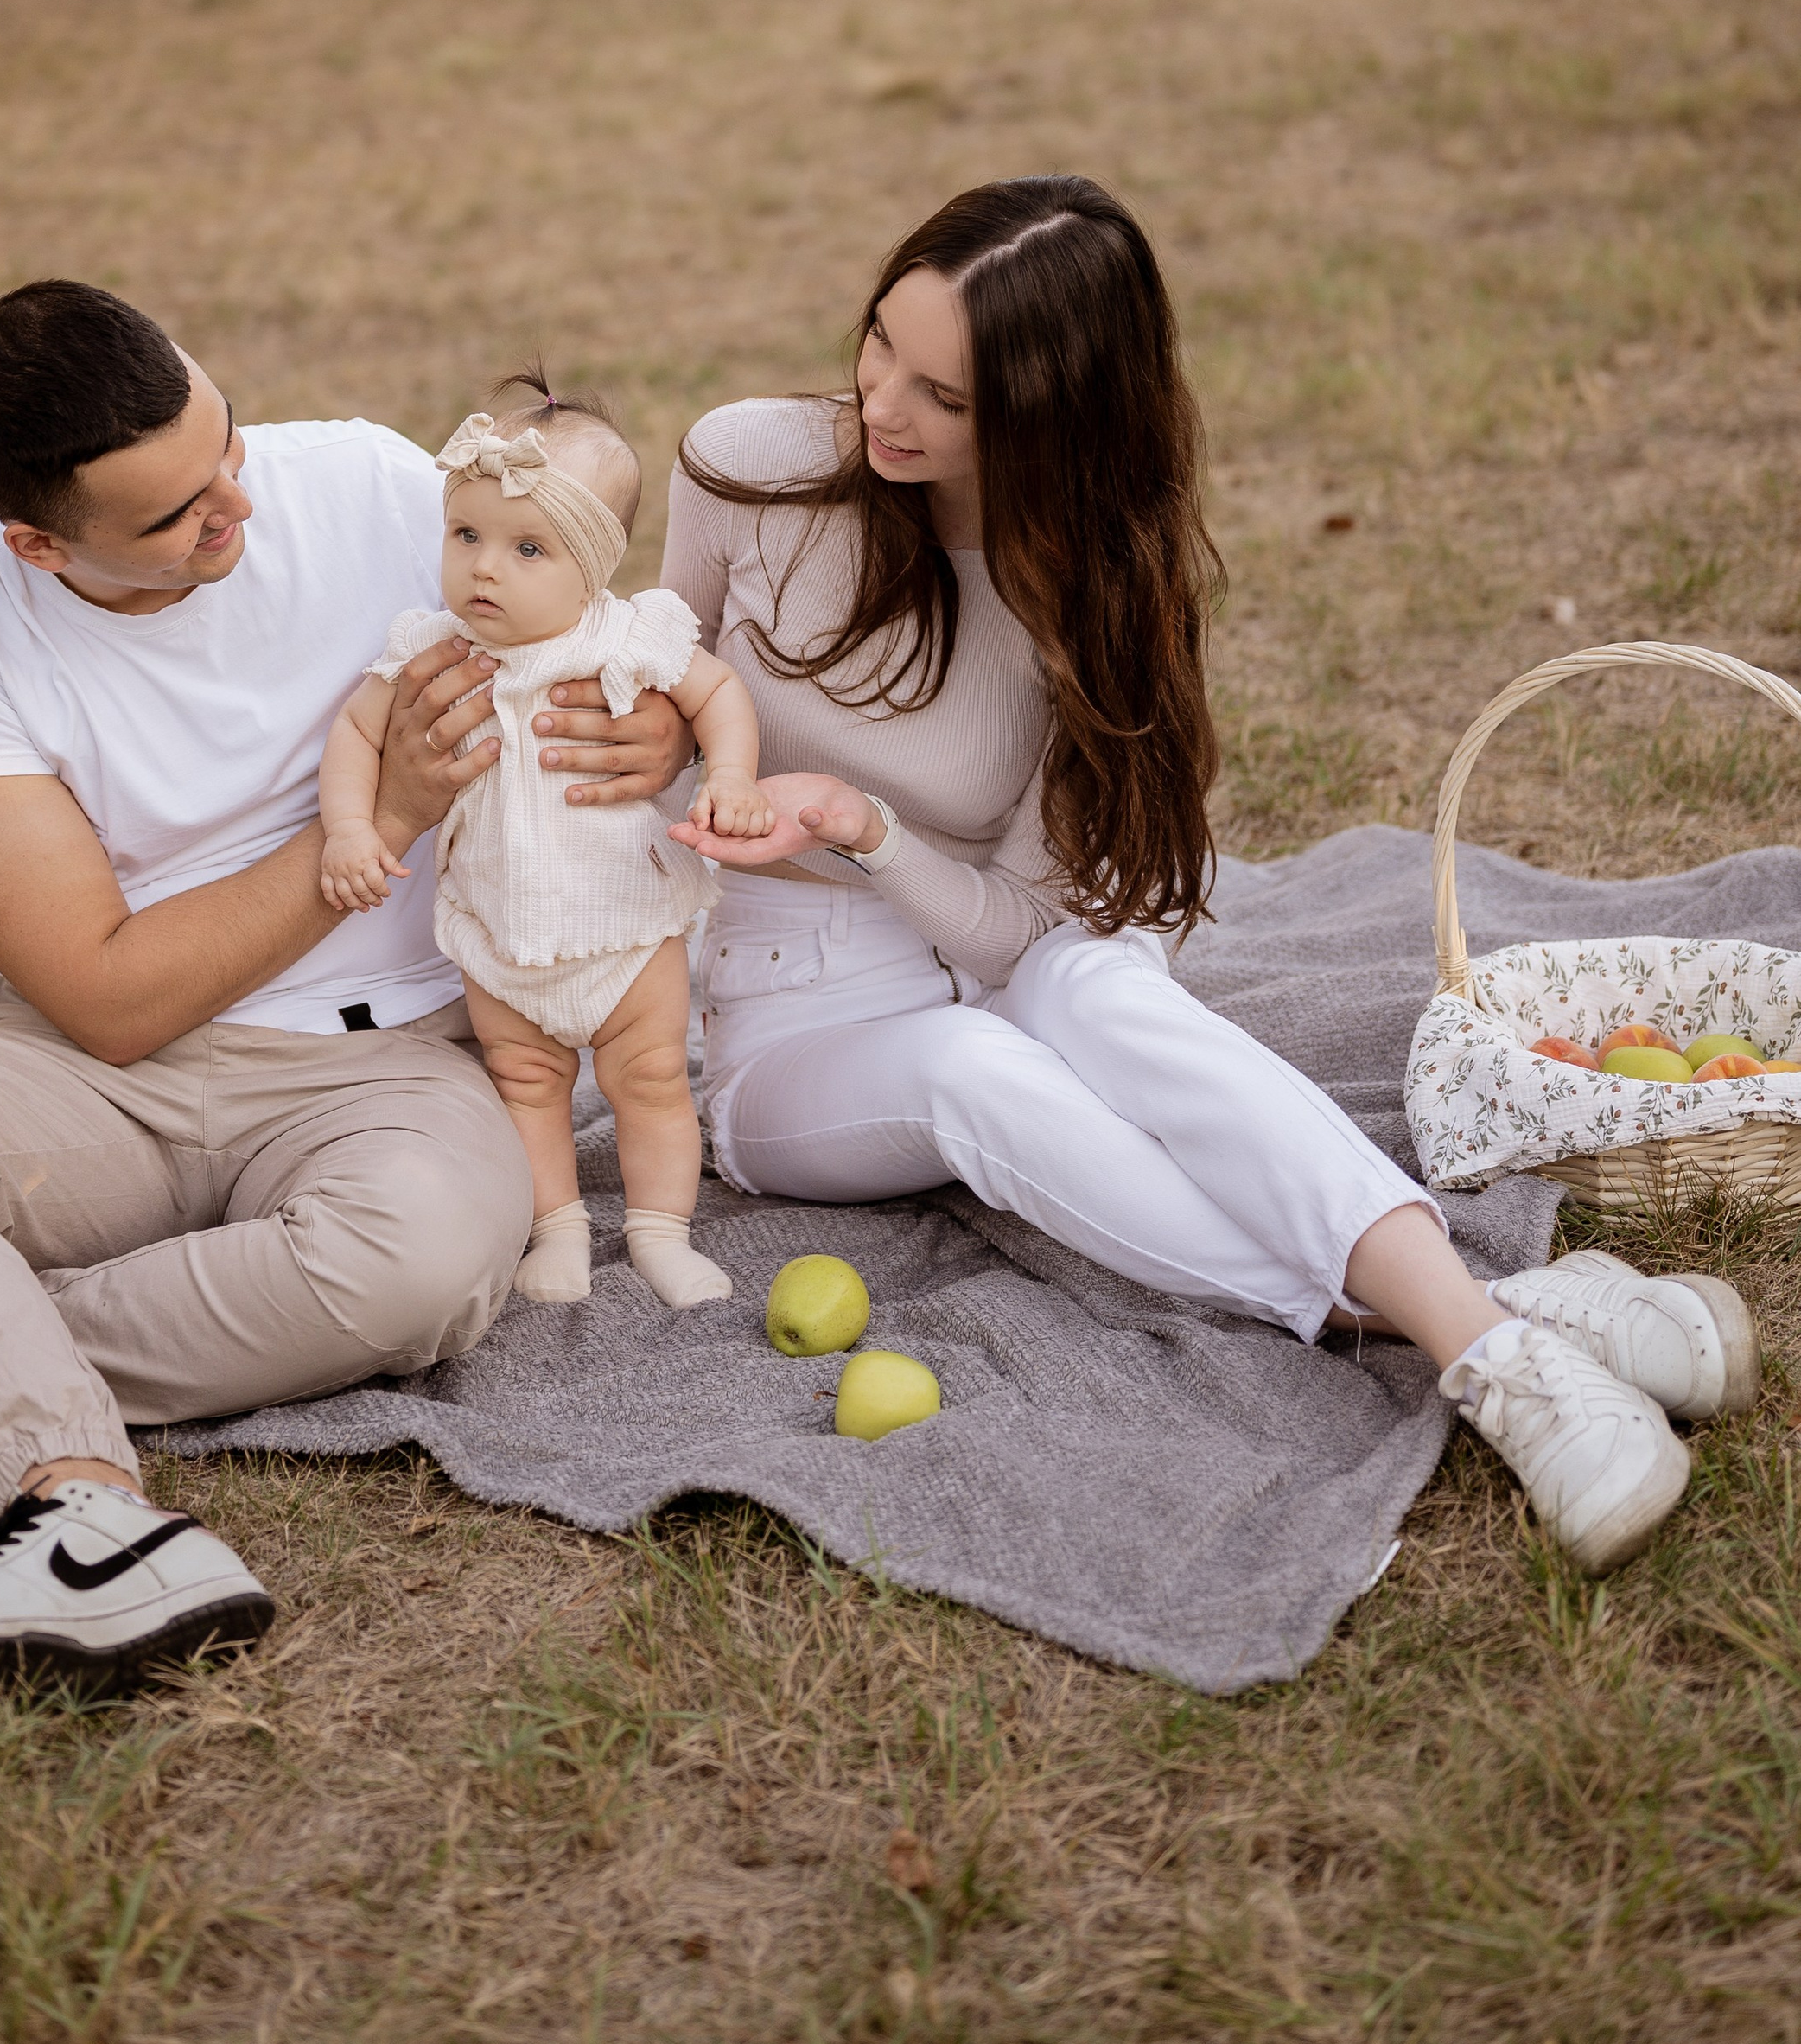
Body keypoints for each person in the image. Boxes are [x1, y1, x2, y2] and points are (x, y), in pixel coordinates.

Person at [0, 282, 686, 1718]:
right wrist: (384, 816)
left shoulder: (361, 482)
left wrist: (646, 727)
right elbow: (105, 996)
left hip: (399, 1057)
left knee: (420, 1262)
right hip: (108, 1062)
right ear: (36, 540)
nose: (234, 504)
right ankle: (83, 1514)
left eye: (223, 446)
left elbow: (564, 621)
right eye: (174, 515)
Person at [661, 175, 1760, 1577]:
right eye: (881, 341)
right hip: (788, 1022)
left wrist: (865, 825)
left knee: (1106, 1000)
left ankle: (1492, 1356)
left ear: (1055, 415)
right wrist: (677, 756)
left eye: (948, 393)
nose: (885, 403)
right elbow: (646, 688)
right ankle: (1491, 1318)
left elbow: (1016, 932)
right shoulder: (745, 465)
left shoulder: (1086, 588)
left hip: (995, 940)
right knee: (971, 1073)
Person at [321, 381, 774, 1309]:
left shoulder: (628, 634)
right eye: (466, 537)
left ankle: (658, 1230)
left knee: (649, 1075)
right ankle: (558, 1228)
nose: (485, 569)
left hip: (624, 920)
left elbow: (719, 693)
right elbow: (354, 733)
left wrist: (729, 774)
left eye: (527, 548)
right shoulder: (431, 648)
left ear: (593, 567)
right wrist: (349, 827)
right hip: (499, 929)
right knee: (525, 1082)